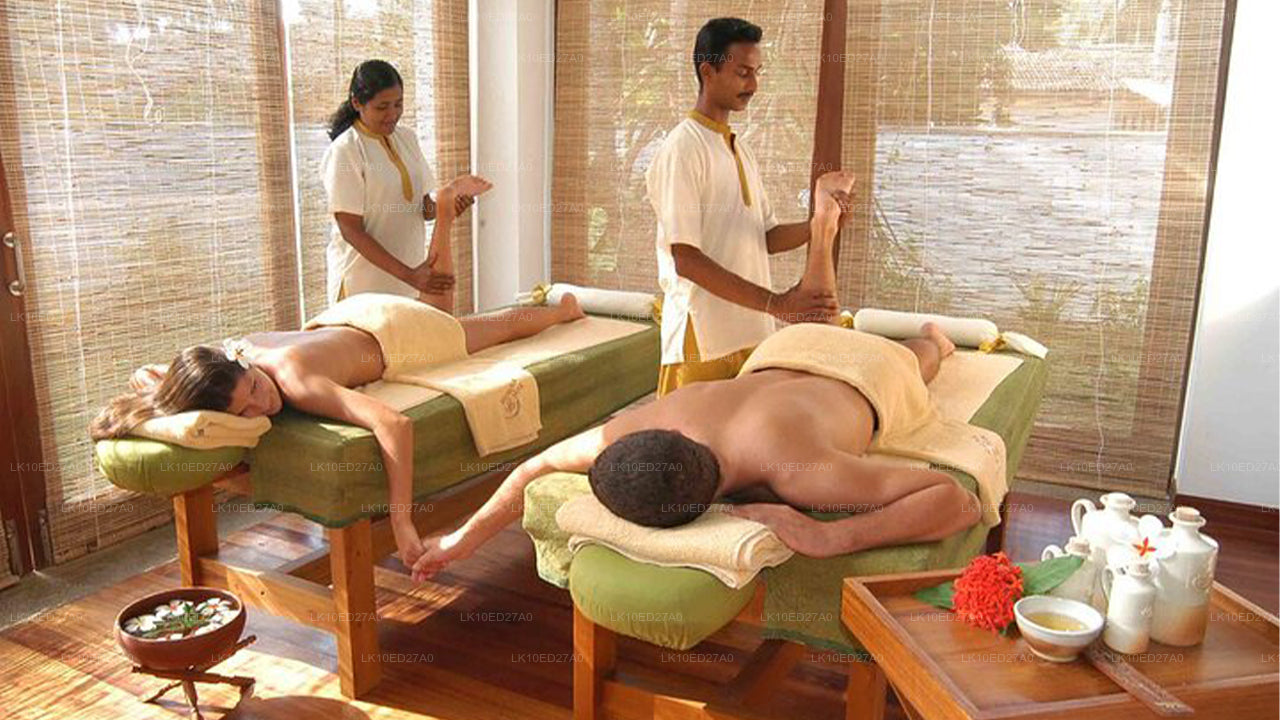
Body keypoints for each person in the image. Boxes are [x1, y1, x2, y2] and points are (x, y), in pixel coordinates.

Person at [409, 171, 979, 580]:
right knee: (835, 323)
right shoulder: (653, 420)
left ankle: (935, 340)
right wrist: (460, 540)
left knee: (918, 360)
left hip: (858, 371)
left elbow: (957, 502)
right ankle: (827, 236)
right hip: (786, 349)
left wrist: (831, 535)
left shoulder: (801, 474)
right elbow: (536, 467)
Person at [90, 177, 586, 567]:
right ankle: (445, 214)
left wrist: (401, 521)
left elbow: (394, 424)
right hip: (353, 314)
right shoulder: (230, 355)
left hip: (399, 333)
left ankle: (562, 310)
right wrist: (156, 390)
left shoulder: (295, 384)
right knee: (443, 300)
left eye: (256, 389)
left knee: (487, 327)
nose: (263, 405)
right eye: (245, 410)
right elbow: (164, 376)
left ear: (250, 370)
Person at [647, 18, 851, 397]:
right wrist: (777, 304)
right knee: (688, 437)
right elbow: (686, 259)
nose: (753, 85)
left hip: (752, 336)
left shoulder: (740, 149)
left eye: (757, 73)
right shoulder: (683, 149)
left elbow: (766, 237)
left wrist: (821, 223)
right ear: (708, 72)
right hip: (701, 340)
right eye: (743, 73)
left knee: (747, 436)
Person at [322, 59, 476, 309]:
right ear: (357, 103)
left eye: (398, 104)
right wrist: (410, 275)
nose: (392, 114)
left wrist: (448, 205)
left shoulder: (407, 138)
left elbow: (422, 208)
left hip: (408, 283)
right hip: (363, 286)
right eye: (382, 107)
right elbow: (351, 230)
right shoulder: (346, 150)